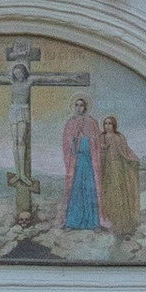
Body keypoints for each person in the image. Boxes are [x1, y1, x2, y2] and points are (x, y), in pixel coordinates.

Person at [94, 111, 142, 238]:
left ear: (114, 125)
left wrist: (134, 159)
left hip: (119, 169)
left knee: (121, 197)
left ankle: (125, 226)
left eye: (110, 124)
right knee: (110, 196)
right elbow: (95, 153)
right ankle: (113, 224)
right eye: (105, 124)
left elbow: (126, 150)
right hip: (107, 170)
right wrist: (102, 149)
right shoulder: (101, 137)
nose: (107, 126)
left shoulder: (119, 137)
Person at [61, 96, 102, 232]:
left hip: (89, 162)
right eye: (77, 105)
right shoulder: (70, 123)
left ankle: (94, 223)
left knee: (90, 189)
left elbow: (96, 143)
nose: (79, 108)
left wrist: (87, 138)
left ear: (86, 107)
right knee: (76, 190)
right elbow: (66, 143)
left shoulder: (92, 122)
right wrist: (72, 139)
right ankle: (72, 222)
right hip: (76, 163)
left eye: (81, 105)